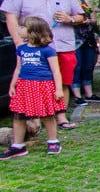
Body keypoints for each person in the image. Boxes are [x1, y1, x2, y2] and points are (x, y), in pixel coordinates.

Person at [1, 0, 84, 130]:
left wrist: (70, 19)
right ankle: (36, 118)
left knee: (63, 81)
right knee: (34, 82)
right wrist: (18, 42)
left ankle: (61, 117)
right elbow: (11, 18)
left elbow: (81, 16)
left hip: (62, 45)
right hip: (33, 48)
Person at [1, 17, 65, 158]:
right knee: (19, 115)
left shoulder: (48, 50)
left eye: (23, 27)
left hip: (43, 86)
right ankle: (18, 146)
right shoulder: (21, 49)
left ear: (33, 32)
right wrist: (13, 84)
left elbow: (56, 71)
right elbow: (18, 68)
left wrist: (58, 89)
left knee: (47, 115)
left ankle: (53, 141)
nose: (19, 29)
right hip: (24, 86)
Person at [62, 0, 100, 105]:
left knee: (88, 65)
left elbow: (93, 19)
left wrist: (87, 21)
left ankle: (89, 93)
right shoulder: (62, 2)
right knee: (76, 66)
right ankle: (77, 95)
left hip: (88, 37)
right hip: (72, 38)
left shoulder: (84, 1)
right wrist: (75, 20)